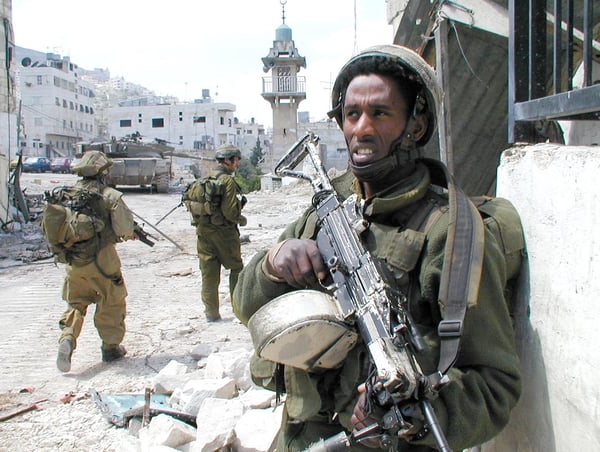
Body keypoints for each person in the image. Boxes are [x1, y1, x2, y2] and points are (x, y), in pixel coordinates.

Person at [233, 45, 522, 451]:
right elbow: (246, 305)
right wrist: (273, 267)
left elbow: (495, 385)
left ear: (416, 126)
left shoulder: (450, 234)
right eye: (352, 114)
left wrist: (417, 417)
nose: (362, 129)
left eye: (380, 113)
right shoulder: (325, 209)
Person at [56, 150, 136, 373]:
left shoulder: (66, 195)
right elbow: (124, 229)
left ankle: (67, 338)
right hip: (103, 260)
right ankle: (110, 348)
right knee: (112, 300)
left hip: (74, 261)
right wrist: (129, 234)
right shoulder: (110, 196)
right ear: (102, 172)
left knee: (76, 303)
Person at [192, 143, 246, 322]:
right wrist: (241, 219)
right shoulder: (227, 181)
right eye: (236, 160)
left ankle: (211, 314)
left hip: (203, 232)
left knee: (209, 274)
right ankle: (239, 310)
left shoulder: (204, 178)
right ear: (229, 161)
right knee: (236, 269)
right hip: (224, 234)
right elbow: (230, 212)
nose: (237, 163)